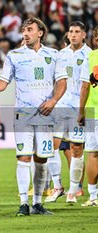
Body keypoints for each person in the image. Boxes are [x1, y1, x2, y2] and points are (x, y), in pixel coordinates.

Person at [0, 17, 67, 216]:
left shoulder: (54, 55)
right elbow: (2, 84)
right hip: (23, 115)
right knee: (23, 158)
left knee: (41, 159)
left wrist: (53, 101)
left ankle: (38, 203)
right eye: (24, 30)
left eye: (30, 29)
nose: (25, 33)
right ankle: (24, 202)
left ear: (40, 33)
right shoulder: (14, 55)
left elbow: (62, 82)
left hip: (46, 115)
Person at [45, 21, 91, 203]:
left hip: (81, 108)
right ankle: (57, 186)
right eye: (71, 31)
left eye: (77, 31)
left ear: (84, 35)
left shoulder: (89, 55)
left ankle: (73, 190)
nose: (73, 35)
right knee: (50, 147)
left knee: (77, 148)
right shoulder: (60, 55)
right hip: (60, 107)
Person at [78, 25, 98, 207]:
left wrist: (80, 111)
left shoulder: (90, 57)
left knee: (93, 154)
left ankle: (93, 196)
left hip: (93, 111)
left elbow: (85, 87)